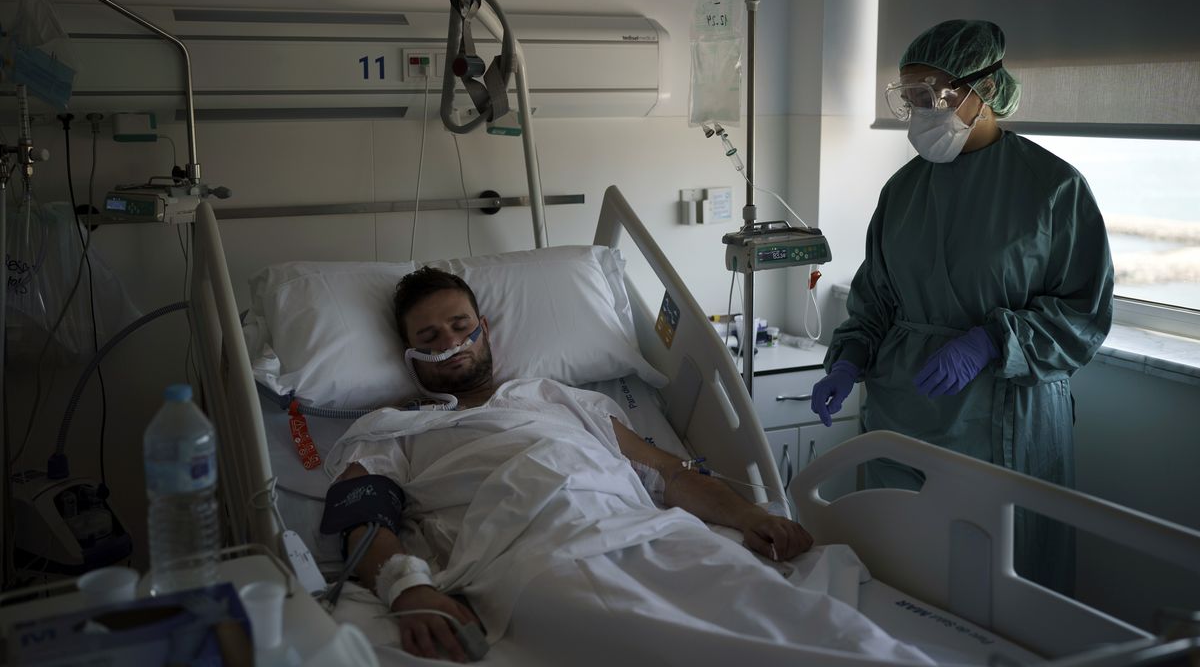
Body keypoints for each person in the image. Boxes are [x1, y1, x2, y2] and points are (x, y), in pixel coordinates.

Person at [322, 267, 933, 664]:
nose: (448, 344)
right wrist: (407, 589)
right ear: (408, 357)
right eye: (428, 338)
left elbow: (666, 473)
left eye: (459, 327)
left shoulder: (559, 397)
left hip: (649, 531)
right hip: (529, 555)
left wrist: (749, 514)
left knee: (795, 620)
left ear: (485, 332)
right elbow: (363, 523)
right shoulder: (387, 430)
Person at [811, 19, 1114, 595]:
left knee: (998, 589)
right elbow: (876, 297)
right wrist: (848, 359)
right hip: (902, 415)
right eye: (911, 98)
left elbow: (1083, 314)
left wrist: (992, 340)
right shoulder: (903, 191)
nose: (922, 111)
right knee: (897, 576)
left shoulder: (1051, 189)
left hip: (1001, 417)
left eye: (935, 96)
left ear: (988, 89)